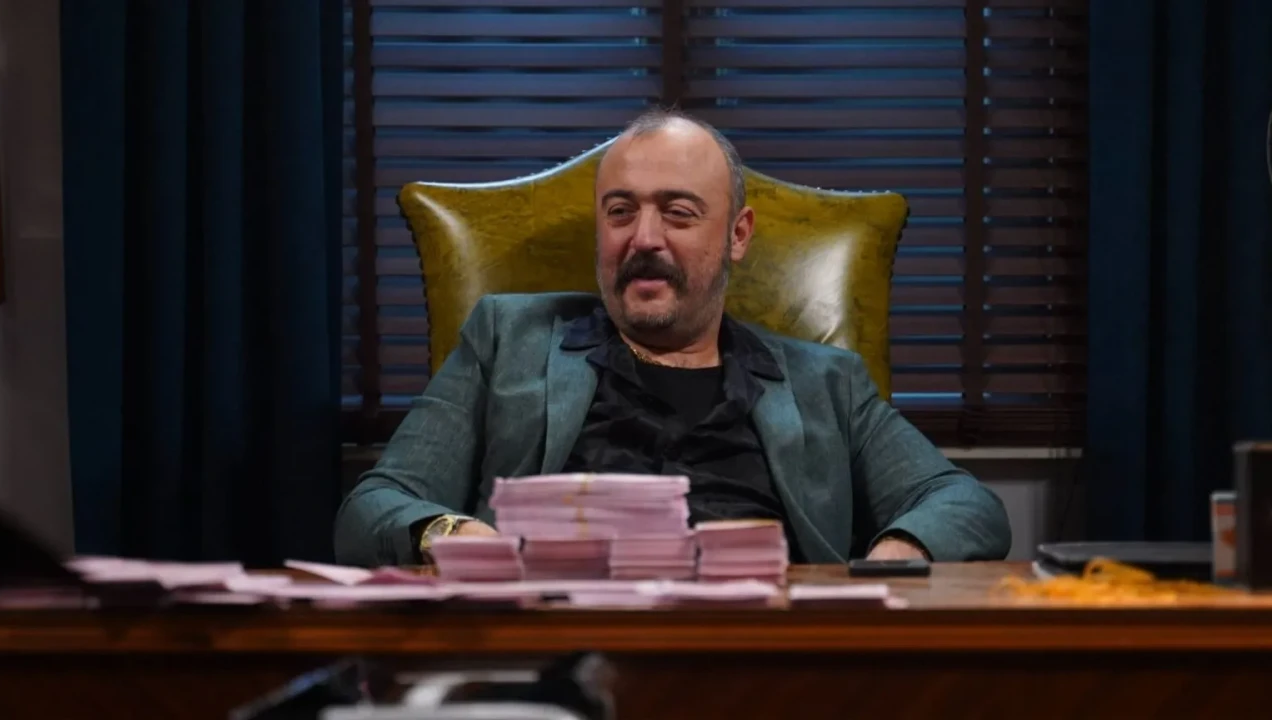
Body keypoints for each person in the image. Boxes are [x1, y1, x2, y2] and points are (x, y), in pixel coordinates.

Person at [334, 108, 1011, 567]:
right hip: (556, 651)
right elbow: (372, 507)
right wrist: (452, 533)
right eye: (620, 212)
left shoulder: (825, 382)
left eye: (678, 213)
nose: (644, 239)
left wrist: (893, 558)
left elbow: (965, 506)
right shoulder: (506, 339)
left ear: (737, 235)